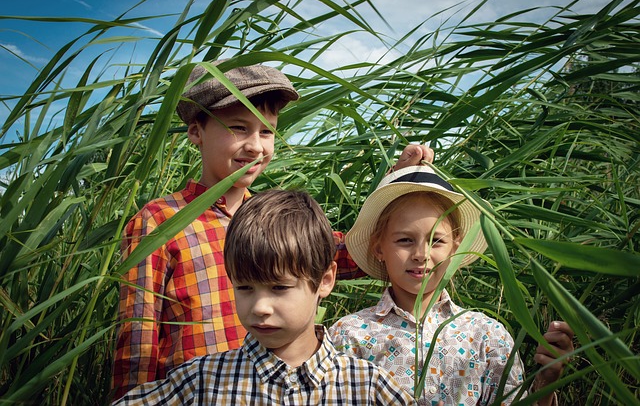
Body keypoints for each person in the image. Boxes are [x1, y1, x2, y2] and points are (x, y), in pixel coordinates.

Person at [111, 60, 432, 399]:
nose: (256, 146)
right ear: (196, 131)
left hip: (275, 389)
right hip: (199, 392)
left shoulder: (268, 217)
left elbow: (351, 252)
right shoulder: (161, 220)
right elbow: (138, 334)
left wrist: (396, 182)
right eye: (238, 128)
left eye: (266, 131)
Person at [113, 189, 417, 405]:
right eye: (245, 288)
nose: (259, 307)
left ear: (325, 280)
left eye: (279, 288)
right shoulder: (200, 382)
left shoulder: (365, 385)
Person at [328, 165, 574, 406]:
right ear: (379, 248)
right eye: (405, 240)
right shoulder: (349, 335)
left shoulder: (486, 335)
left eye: (436, 241)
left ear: (455, 247)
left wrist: (544, 382)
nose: (421, 254)